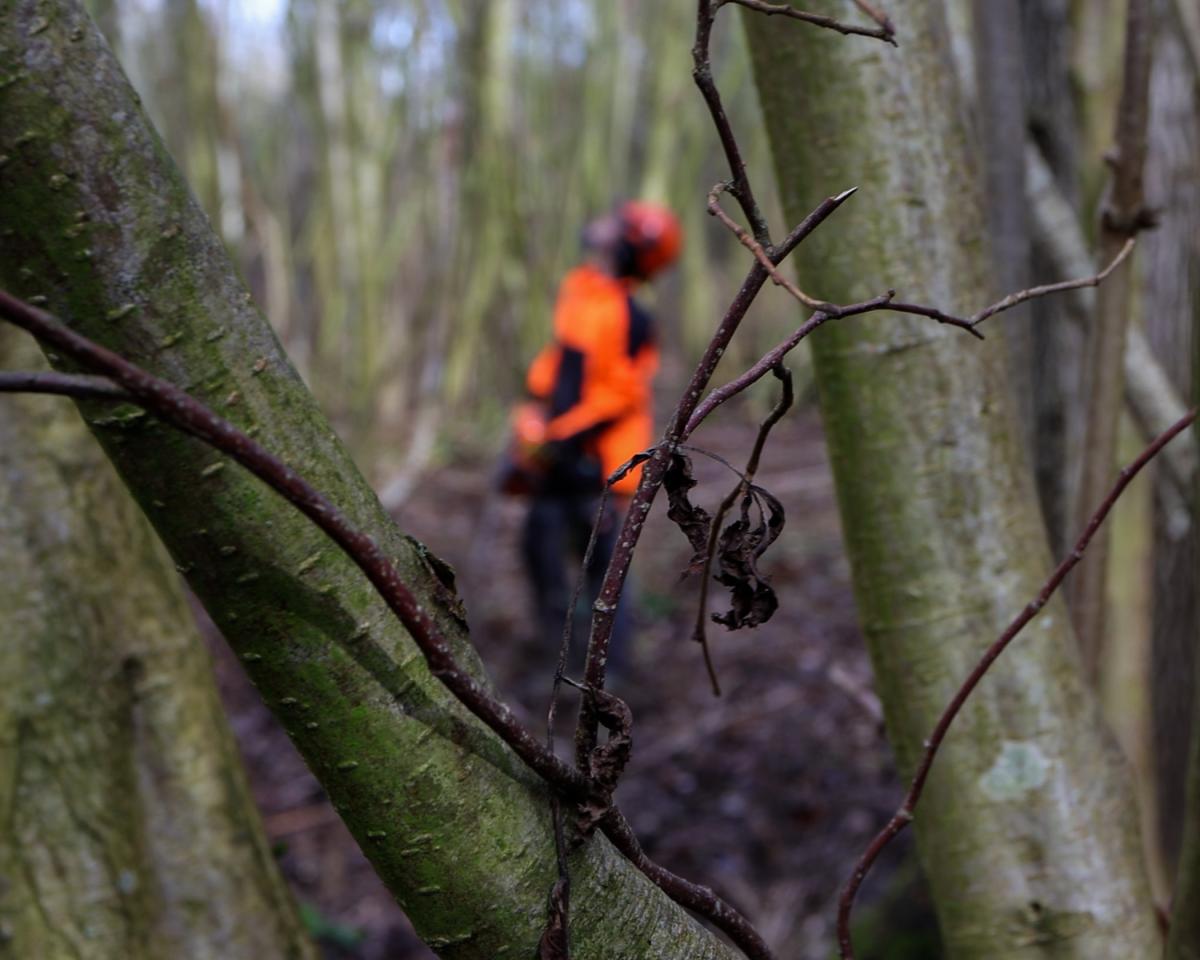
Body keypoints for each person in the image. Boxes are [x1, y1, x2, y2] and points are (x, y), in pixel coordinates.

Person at [510, 201, 682, 675]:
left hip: (599, 471)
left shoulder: (634, 317)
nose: (601, 230)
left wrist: (559, 437)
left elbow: (618, 396)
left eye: (617, 228)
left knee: (604, 581)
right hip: (555, 462)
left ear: (630, 246)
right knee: (539, 553)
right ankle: (554, 664)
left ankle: (611, 677)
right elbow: (557, 362)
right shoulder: (581, 290)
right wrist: (531, 412)